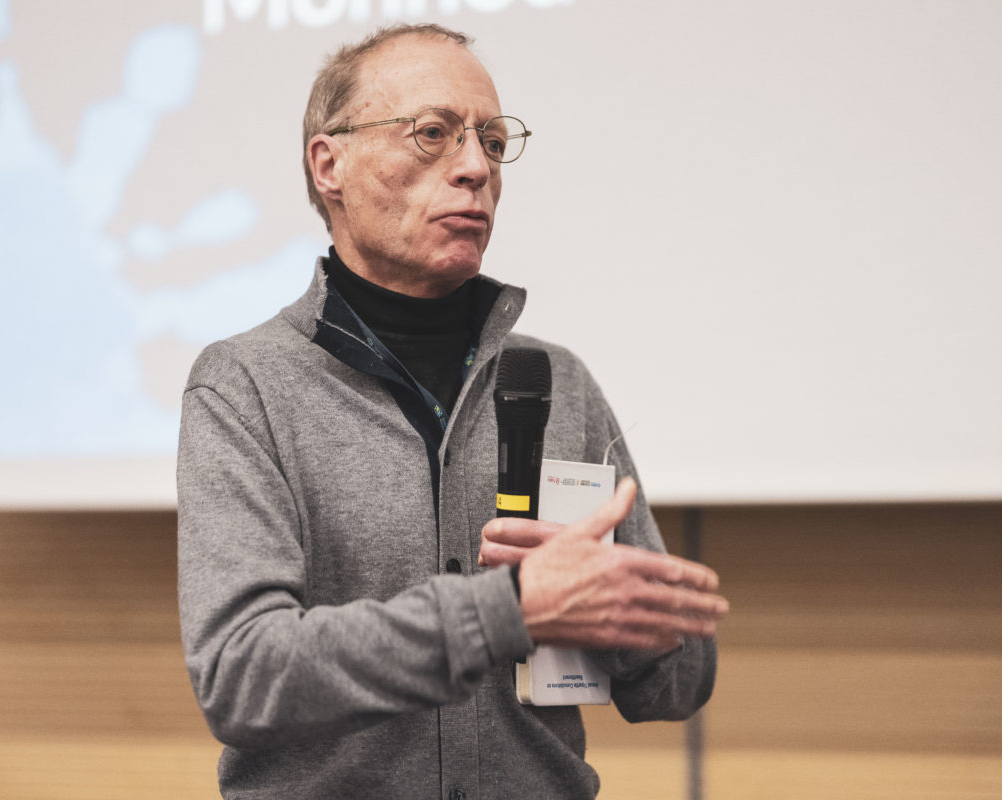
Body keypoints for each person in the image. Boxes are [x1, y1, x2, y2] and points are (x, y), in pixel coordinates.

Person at [177, 22, 729, 799]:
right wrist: (509, 608)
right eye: (432, 134)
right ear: (328, 163)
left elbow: (675, 686)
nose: (474, 167)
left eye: (493, 143)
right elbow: (243, 674)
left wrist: (627, 613)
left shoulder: (558, 382)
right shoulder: (247, 386)